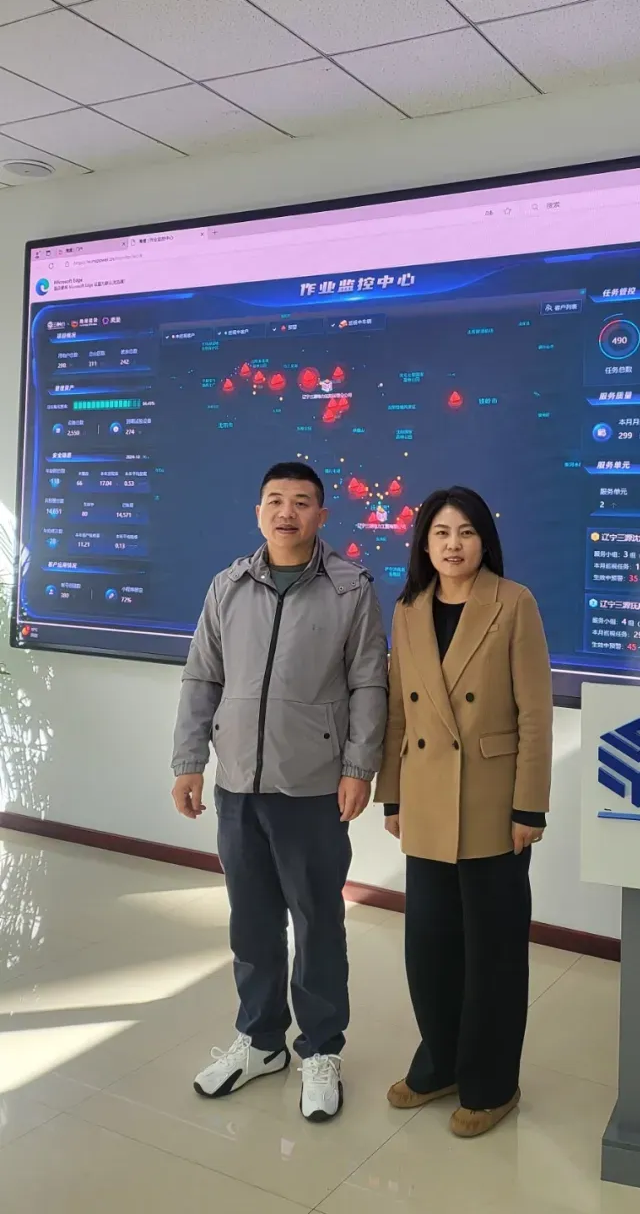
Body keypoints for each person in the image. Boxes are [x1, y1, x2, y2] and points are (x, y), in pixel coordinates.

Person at [170, 461, 387, 1122]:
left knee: (317, 921)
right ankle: (261, 1040)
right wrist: (189, 760)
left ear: (322, 514)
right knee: (252, 920)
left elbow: (368, 682)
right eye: (274, 500)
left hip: (313, 786)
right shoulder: (228, 585)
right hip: (238, 783)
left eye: (300, 501)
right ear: (258, 511)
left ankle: (320, 1049)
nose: (286, 511)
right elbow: (202, 676)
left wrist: (359, 767)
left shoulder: (349, 587)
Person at [376, 486, 553, 1137]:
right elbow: (398, 710)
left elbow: (535, 712)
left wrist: (529, 804)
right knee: (429, 949)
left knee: (493, 955)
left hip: (493, 802)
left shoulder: (514, 602)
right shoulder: (408, 608)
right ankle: (441, 1063)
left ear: (485, 541)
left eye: (467, 532)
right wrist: (393, 794)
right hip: (424, 798)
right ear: (424, 544)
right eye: (441, 533)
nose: (454, 544)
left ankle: (491, 1084)